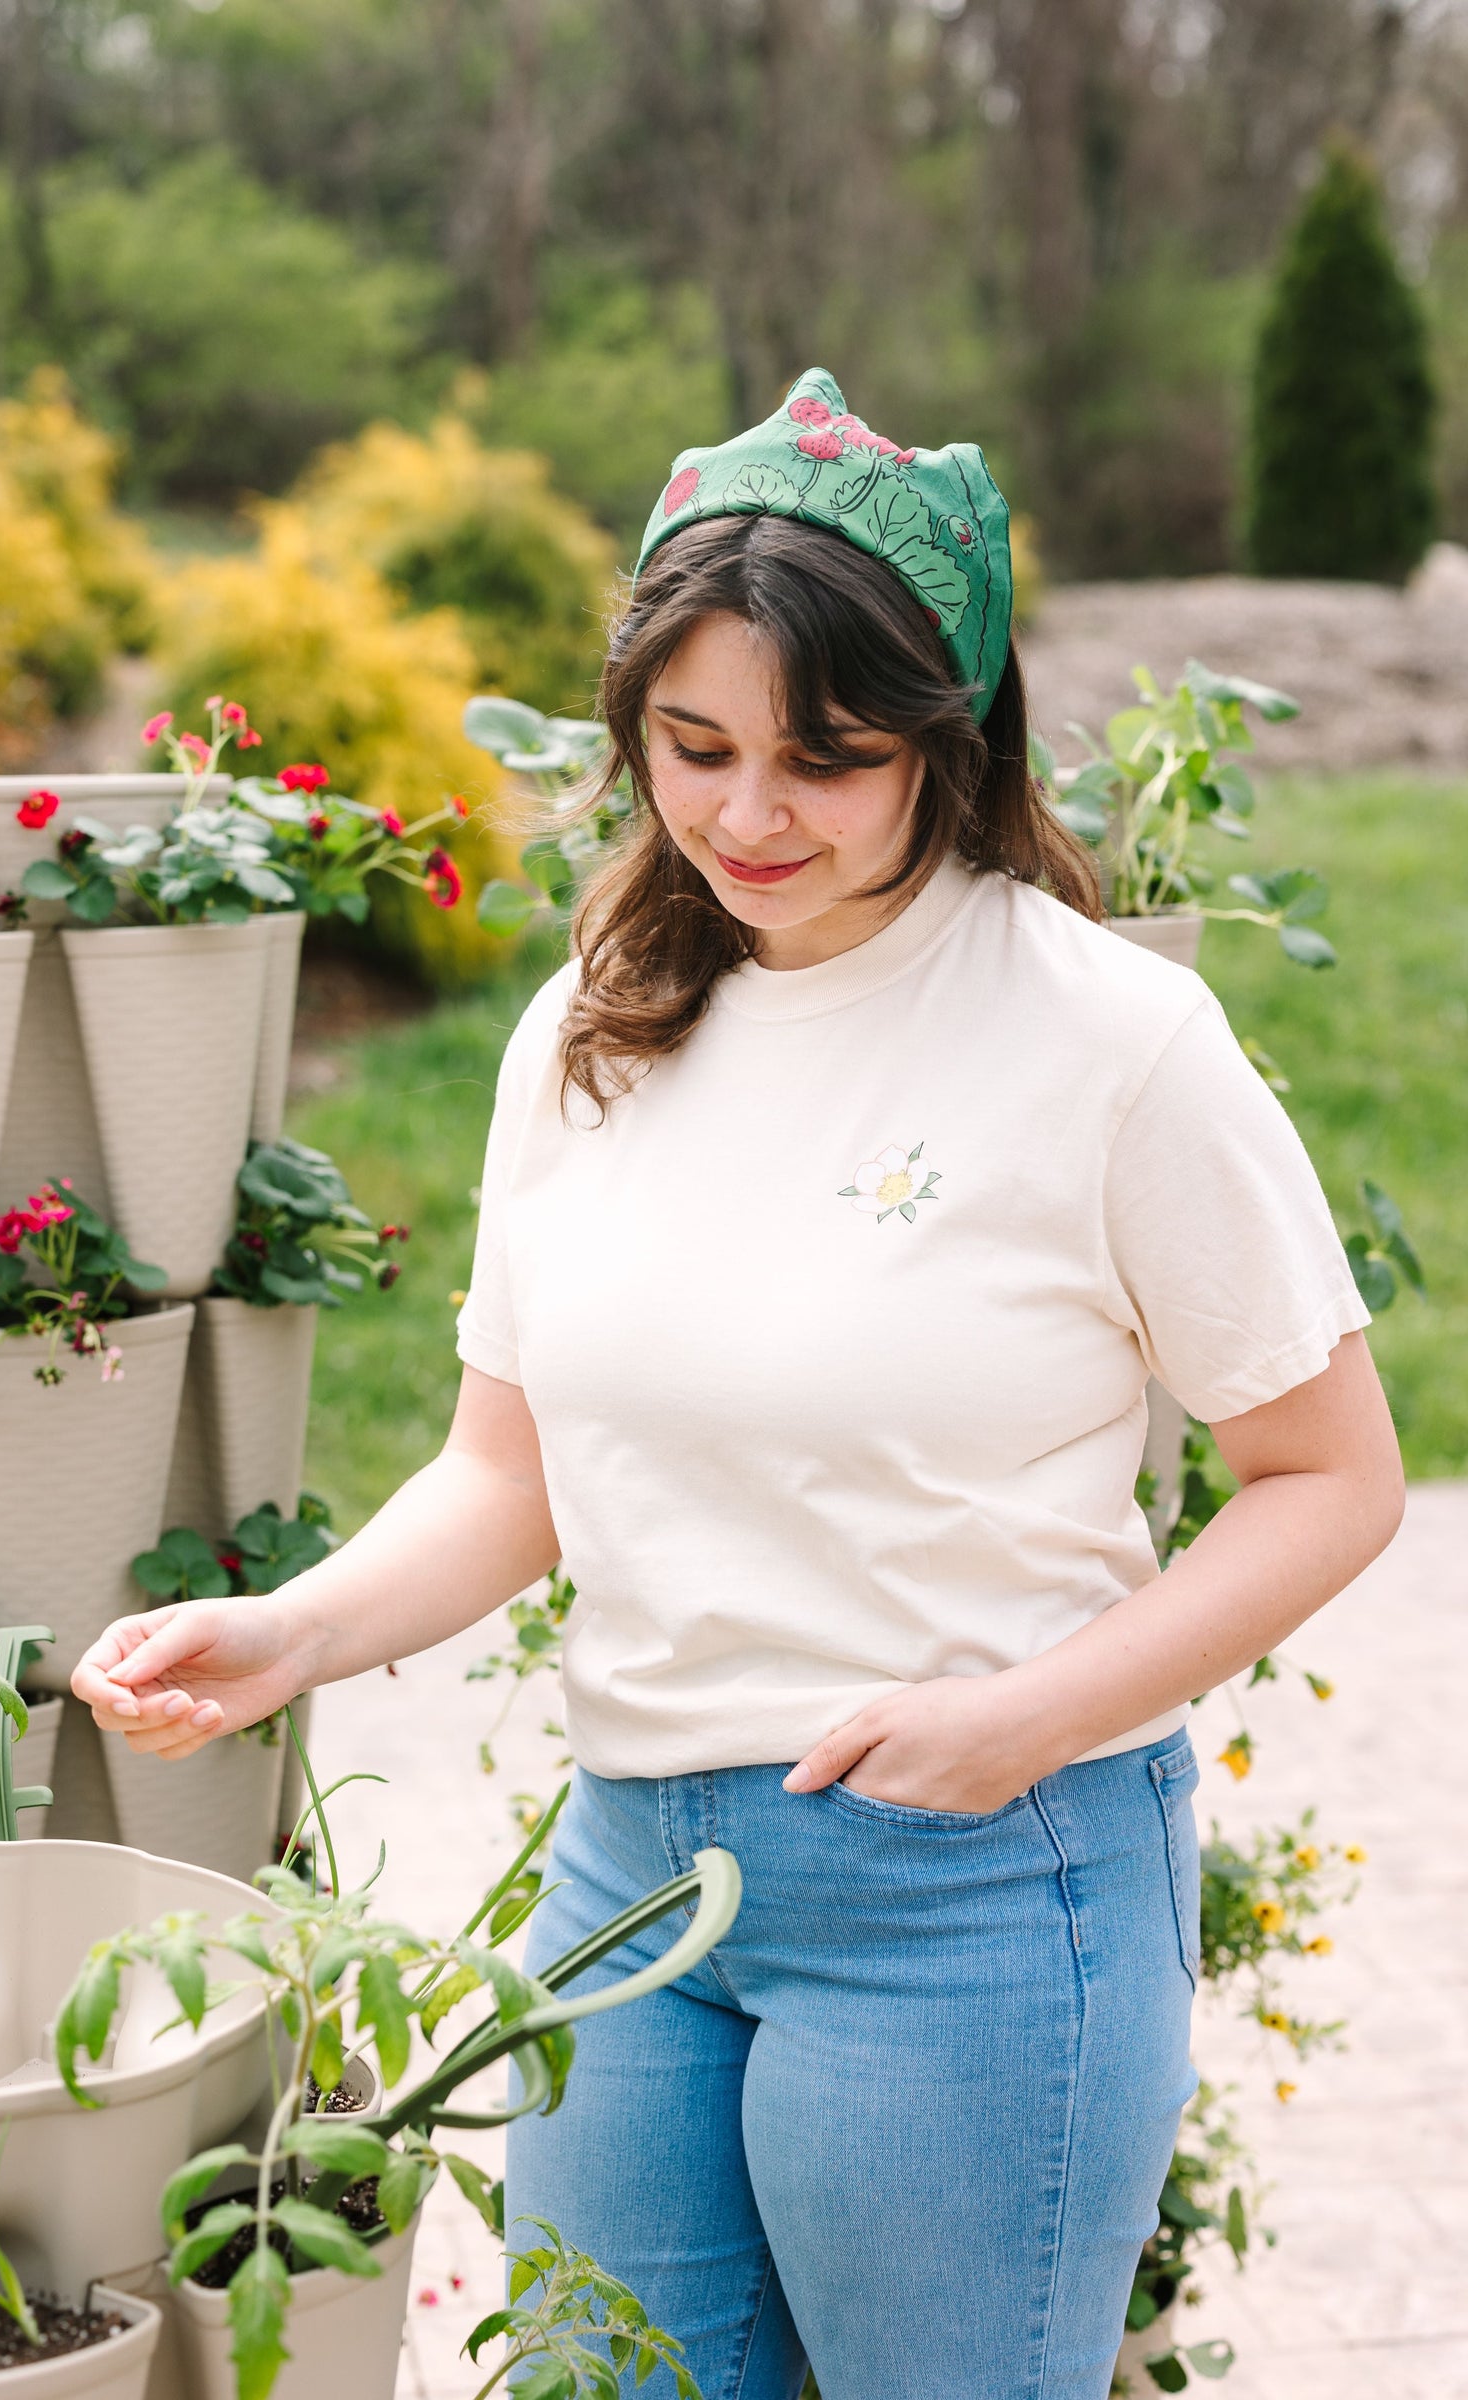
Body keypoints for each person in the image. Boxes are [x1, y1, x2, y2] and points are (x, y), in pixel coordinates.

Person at [73, 370, 1404, 2400]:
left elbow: (1329, 1477)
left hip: (972, 1880)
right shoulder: (591, 1029)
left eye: (824, 759)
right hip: (634, 1877)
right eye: (691, 749)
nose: (745, 818)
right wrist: (292, 1630)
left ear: (943, 737)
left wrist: (1015, 1724)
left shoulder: (1109, 1043)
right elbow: (509, 1468)